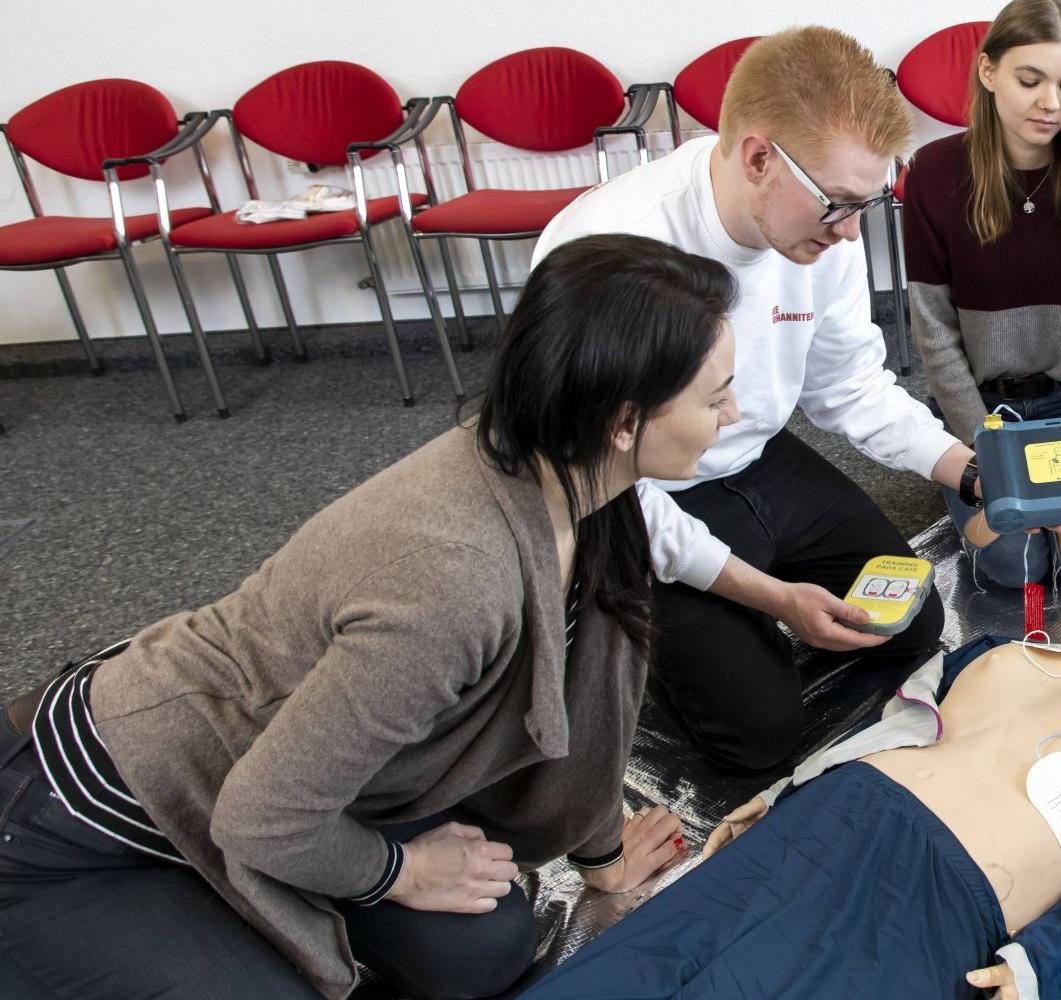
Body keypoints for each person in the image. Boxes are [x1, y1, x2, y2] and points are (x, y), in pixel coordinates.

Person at [0, 234, 738, 999]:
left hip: (299, 780)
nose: (734, 411)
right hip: (91, 818)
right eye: (716, 397)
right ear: (622, 421)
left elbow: (591, 697)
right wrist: (401, 871)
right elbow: (260, 819)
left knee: (480, 952)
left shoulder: (581, 485)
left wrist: (601, 857)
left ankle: (246, 910)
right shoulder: (454, 579)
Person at [533, 27, 982, 773]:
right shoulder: (609, 252)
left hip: (759, 458)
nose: (852, 234)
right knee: (759, 737)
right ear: (758, 157)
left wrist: (968, 469)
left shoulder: (824, 228)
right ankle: (626, 621)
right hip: (636, 494)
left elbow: (851, 386)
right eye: (839, 205)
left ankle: (732, 616)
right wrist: (772, 598)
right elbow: (594, 481)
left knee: (910, 623)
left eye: (872, 202)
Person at [518, 570, 1061, 1000]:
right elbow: (898, 733)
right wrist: (789, 792)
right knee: (637, 960)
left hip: (937, 898)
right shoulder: (1005, 652)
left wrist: (1045, 972)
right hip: (830, 821)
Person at [902, 0, 1061, 590]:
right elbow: (931, 331)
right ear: (988, 73)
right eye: (1029, 81)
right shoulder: (934, 171)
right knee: (1017, 569)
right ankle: (965, 488)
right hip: (983, 410)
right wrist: (983, 444)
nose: (1051, 104)